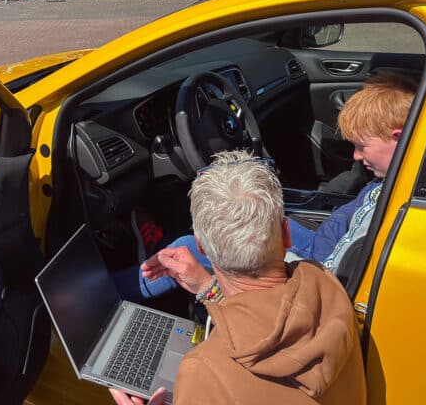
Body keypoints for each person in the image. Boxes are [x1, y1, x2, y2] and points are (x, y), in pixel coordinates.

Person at [114, 72, 416, 301]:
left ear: (397, 136)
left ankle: (114, 293)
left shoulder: (389, 195)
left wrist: (265, 254)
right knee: (240, 221)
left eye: (362, 146)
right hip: (321, 241)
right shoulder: (392, 181)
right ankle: (157, 246)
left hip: (313, 263)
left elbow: (332, 277)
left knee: (194, 244)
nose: (356, 155)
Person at [110, 150, 367, 405]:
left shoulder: (204, 372)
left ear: (200, 247)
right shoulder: (325, 285)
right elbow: (270, 327)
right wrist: (208, 290)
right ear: (286, 236)